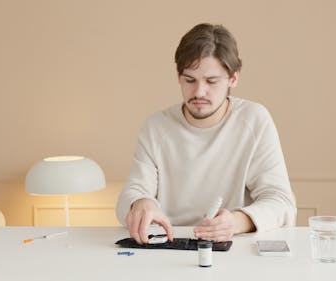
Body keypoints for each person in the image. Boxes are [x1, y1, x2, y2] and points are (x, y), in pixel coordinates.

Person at [115, 23, 297, 244]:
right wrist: (141, 202)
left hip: (233, 247)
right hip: (169, 246)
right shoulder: (156, 127)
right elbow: (131, 195)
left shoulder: (254, 120)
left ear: (234, 79)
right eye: (189, 80)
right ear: (178, 76)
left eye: (212, 81)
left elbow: (281, 202)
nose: (199, 92)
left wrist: (238, 221)